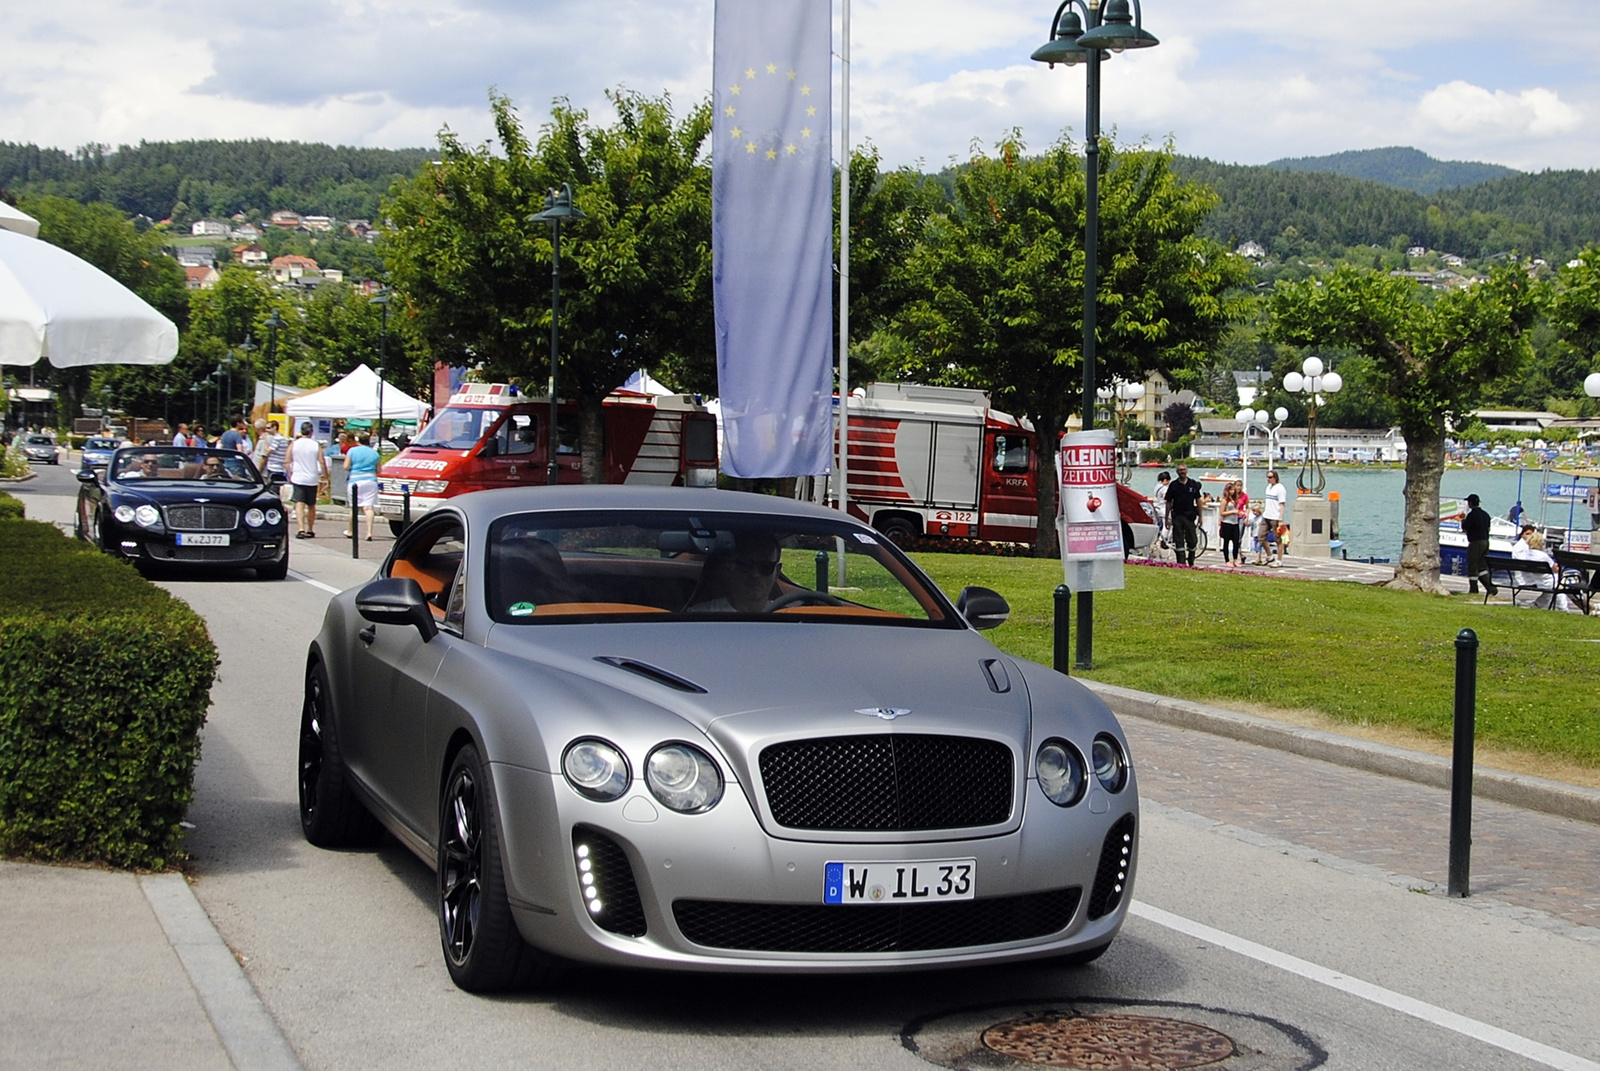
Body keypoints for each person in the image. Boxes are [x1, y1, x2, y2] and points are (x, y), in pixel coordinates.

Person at [686, 534, 783, 613]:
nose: (755, 574)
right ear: (730, 566)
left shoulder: (790, 615)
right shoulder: (699, 616)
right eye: (746, 565)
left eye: (765, 567)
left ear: (777, 572)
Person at [286, 422, 330, 538]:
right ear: (311, 432)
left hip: (298, 477)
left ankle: (301, 529)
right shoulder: (316, 445)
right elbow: (322, 461)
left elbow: (287, 461)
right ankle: (310, 529)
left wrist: (289, 474)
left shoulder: (294, 444)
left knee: (299, 504)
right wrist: (325, 477)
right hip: (312, 477)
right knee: (311, 505)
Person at [1449, 493, 1497, 596]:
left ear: (1470, 503)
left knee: (1473, 566)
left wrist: (1461, 520)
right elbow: (1488, 529)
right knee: (1482, 566)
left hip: (1475, 543)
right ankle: (1490, 587)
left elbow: (1465, 528)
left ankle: (1474, 589)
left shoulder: (1472, 515)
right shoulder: (1486, 515)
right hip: (1485, 542)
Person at [1513, 529, 1572, 611]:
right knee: (1560, 586)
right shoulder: (1543, 556)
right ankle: (1564, 609)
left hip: (1538, 581)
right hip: (1550, 581)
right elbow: (1555, 569)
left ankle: (1537, 605)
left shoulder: (1527, 555)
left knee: (1552, 591)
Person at [1164, 464, 1204, 566]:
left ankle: (1191, 560)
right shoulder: (1173, 485)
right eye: (1180, 470)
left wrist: (1200, 516)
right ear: (1177, 472)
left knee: (1192, 540)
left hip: (1190, 516)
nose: (1182, 472)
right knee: (1178, 541)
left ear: (1187, 471)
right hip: (1177, 516)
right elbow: (1168, 502)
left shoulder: (1193, 484)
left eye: (1184, 470)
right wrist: (1166, 518)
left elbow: (1198, 500)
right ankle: (1181, 563)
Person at [343, 434, 380, 541]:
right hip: (370, 480)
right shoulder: (374, 453)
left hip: (355, 480)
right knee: (368, 508)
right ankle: (369, 532)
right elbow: (379, 469)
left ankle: (351, 531)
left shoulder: (352, 451)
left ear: (358, 440)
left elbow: (346, 466)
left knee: (353, 508)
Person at [1262, 470, 1289, 567]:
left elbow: (1282, 504)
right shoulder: (1268, 487)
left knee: (1278, 540)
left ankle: (1279, 560)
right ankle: (1270, 555)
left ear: (1275, 478)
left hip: (1275, 517)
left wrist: (1280, 519)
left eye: (1270, 477)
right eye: (1267, 477)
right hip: (1266, 515)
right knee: (1261, 536)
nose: (1268, 479)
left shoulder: (1280, 488)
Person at [253, 419, 288, 486]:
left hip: (271, 469)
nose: (266, 430)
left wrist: (257, 472)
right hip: (272, 468)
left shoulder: (274, 439)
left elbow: (265, 456)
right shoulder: (275, 438)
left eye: (268, 428)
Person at [1219, 481, 1244, 567]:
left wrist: (1240, 513)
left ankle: (1235, 559)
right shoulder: (1225, 500)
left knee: (1236, 542)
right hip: (1227, 523)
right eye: (1230, 490)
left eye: (1233, 489)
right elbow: (1222, 513)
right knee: (1226, 542)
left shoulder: (1235, 500)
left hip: (1235, 522)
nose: (1232, 491)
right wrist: (1232, 511)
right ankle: (1227, 560)